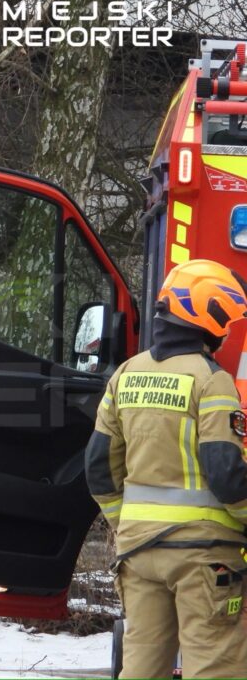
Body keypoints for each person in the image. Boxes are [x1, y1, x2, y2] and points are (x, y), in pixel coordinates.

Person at [87, 259, 247, 679]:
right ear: (206, 317)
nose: (227, 330)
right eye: (225, 320)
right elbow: (227, 476)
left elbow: (98, 468)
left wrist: (128, 525)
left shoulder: (125, 376)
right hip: (205, 557)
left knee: (141, 669)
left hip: (139, 555)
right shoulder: (211, 381)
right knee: (215, 667)